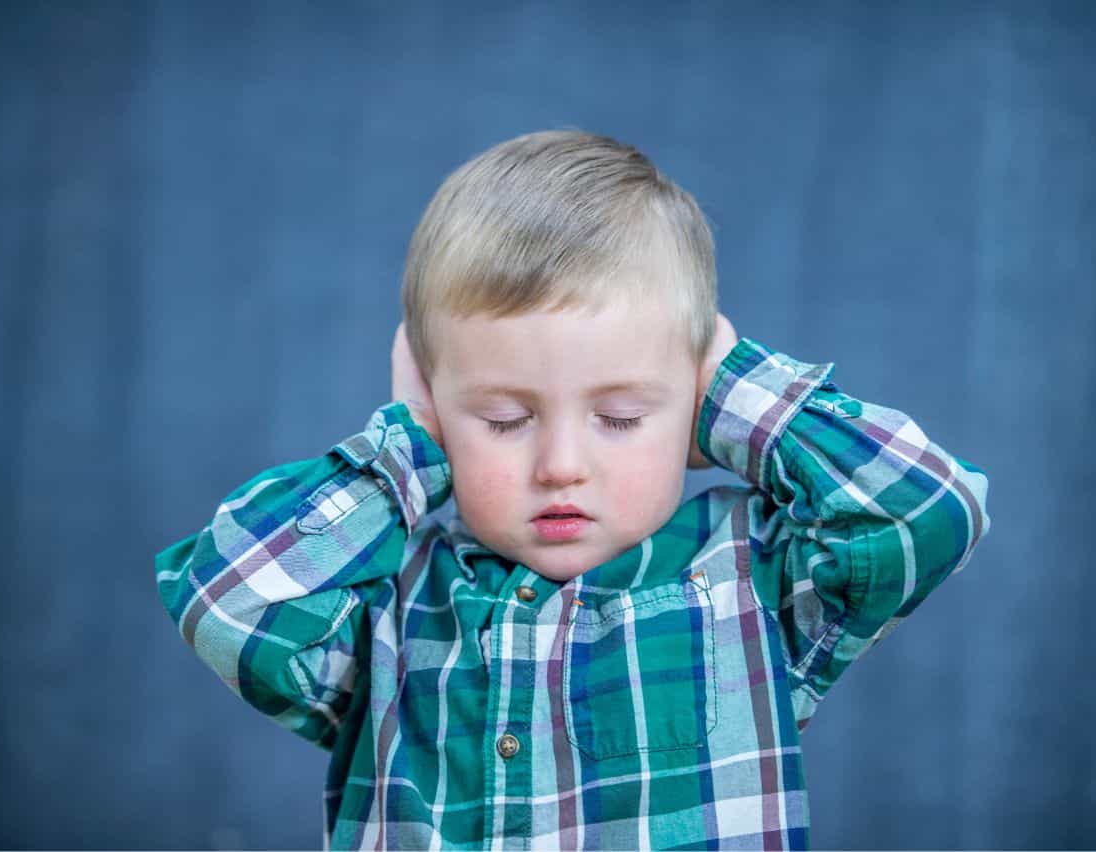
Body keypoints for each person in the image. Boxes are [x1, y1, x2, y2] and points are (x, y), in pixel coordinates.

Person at [155, 129, 992, 850]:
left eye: (621, 417)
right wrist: (405, 441)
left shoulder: (750, 583)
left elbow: (926, 507)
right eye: (505, 419)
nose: (561, 464)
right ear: (441, 410)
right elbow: (228, 605)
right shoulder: (386, 607)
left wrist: (733, 390)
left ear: (688, 405)